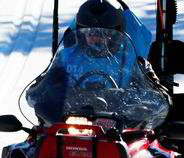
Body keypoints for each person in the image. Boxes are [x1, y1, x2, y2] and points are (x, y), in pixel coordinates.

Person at [26, 0, 171, 126]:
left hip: (120, 130)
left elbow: (158, 98)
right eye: (90, 32)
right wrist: (49, 90)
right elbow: (35, 93)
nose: (96, 38)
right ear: (80, 33)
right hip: (69, 126)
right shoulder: (66, 57)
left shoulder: (133, 62)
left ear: (116, 35)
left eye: (103, 34)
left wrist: (136, 102)